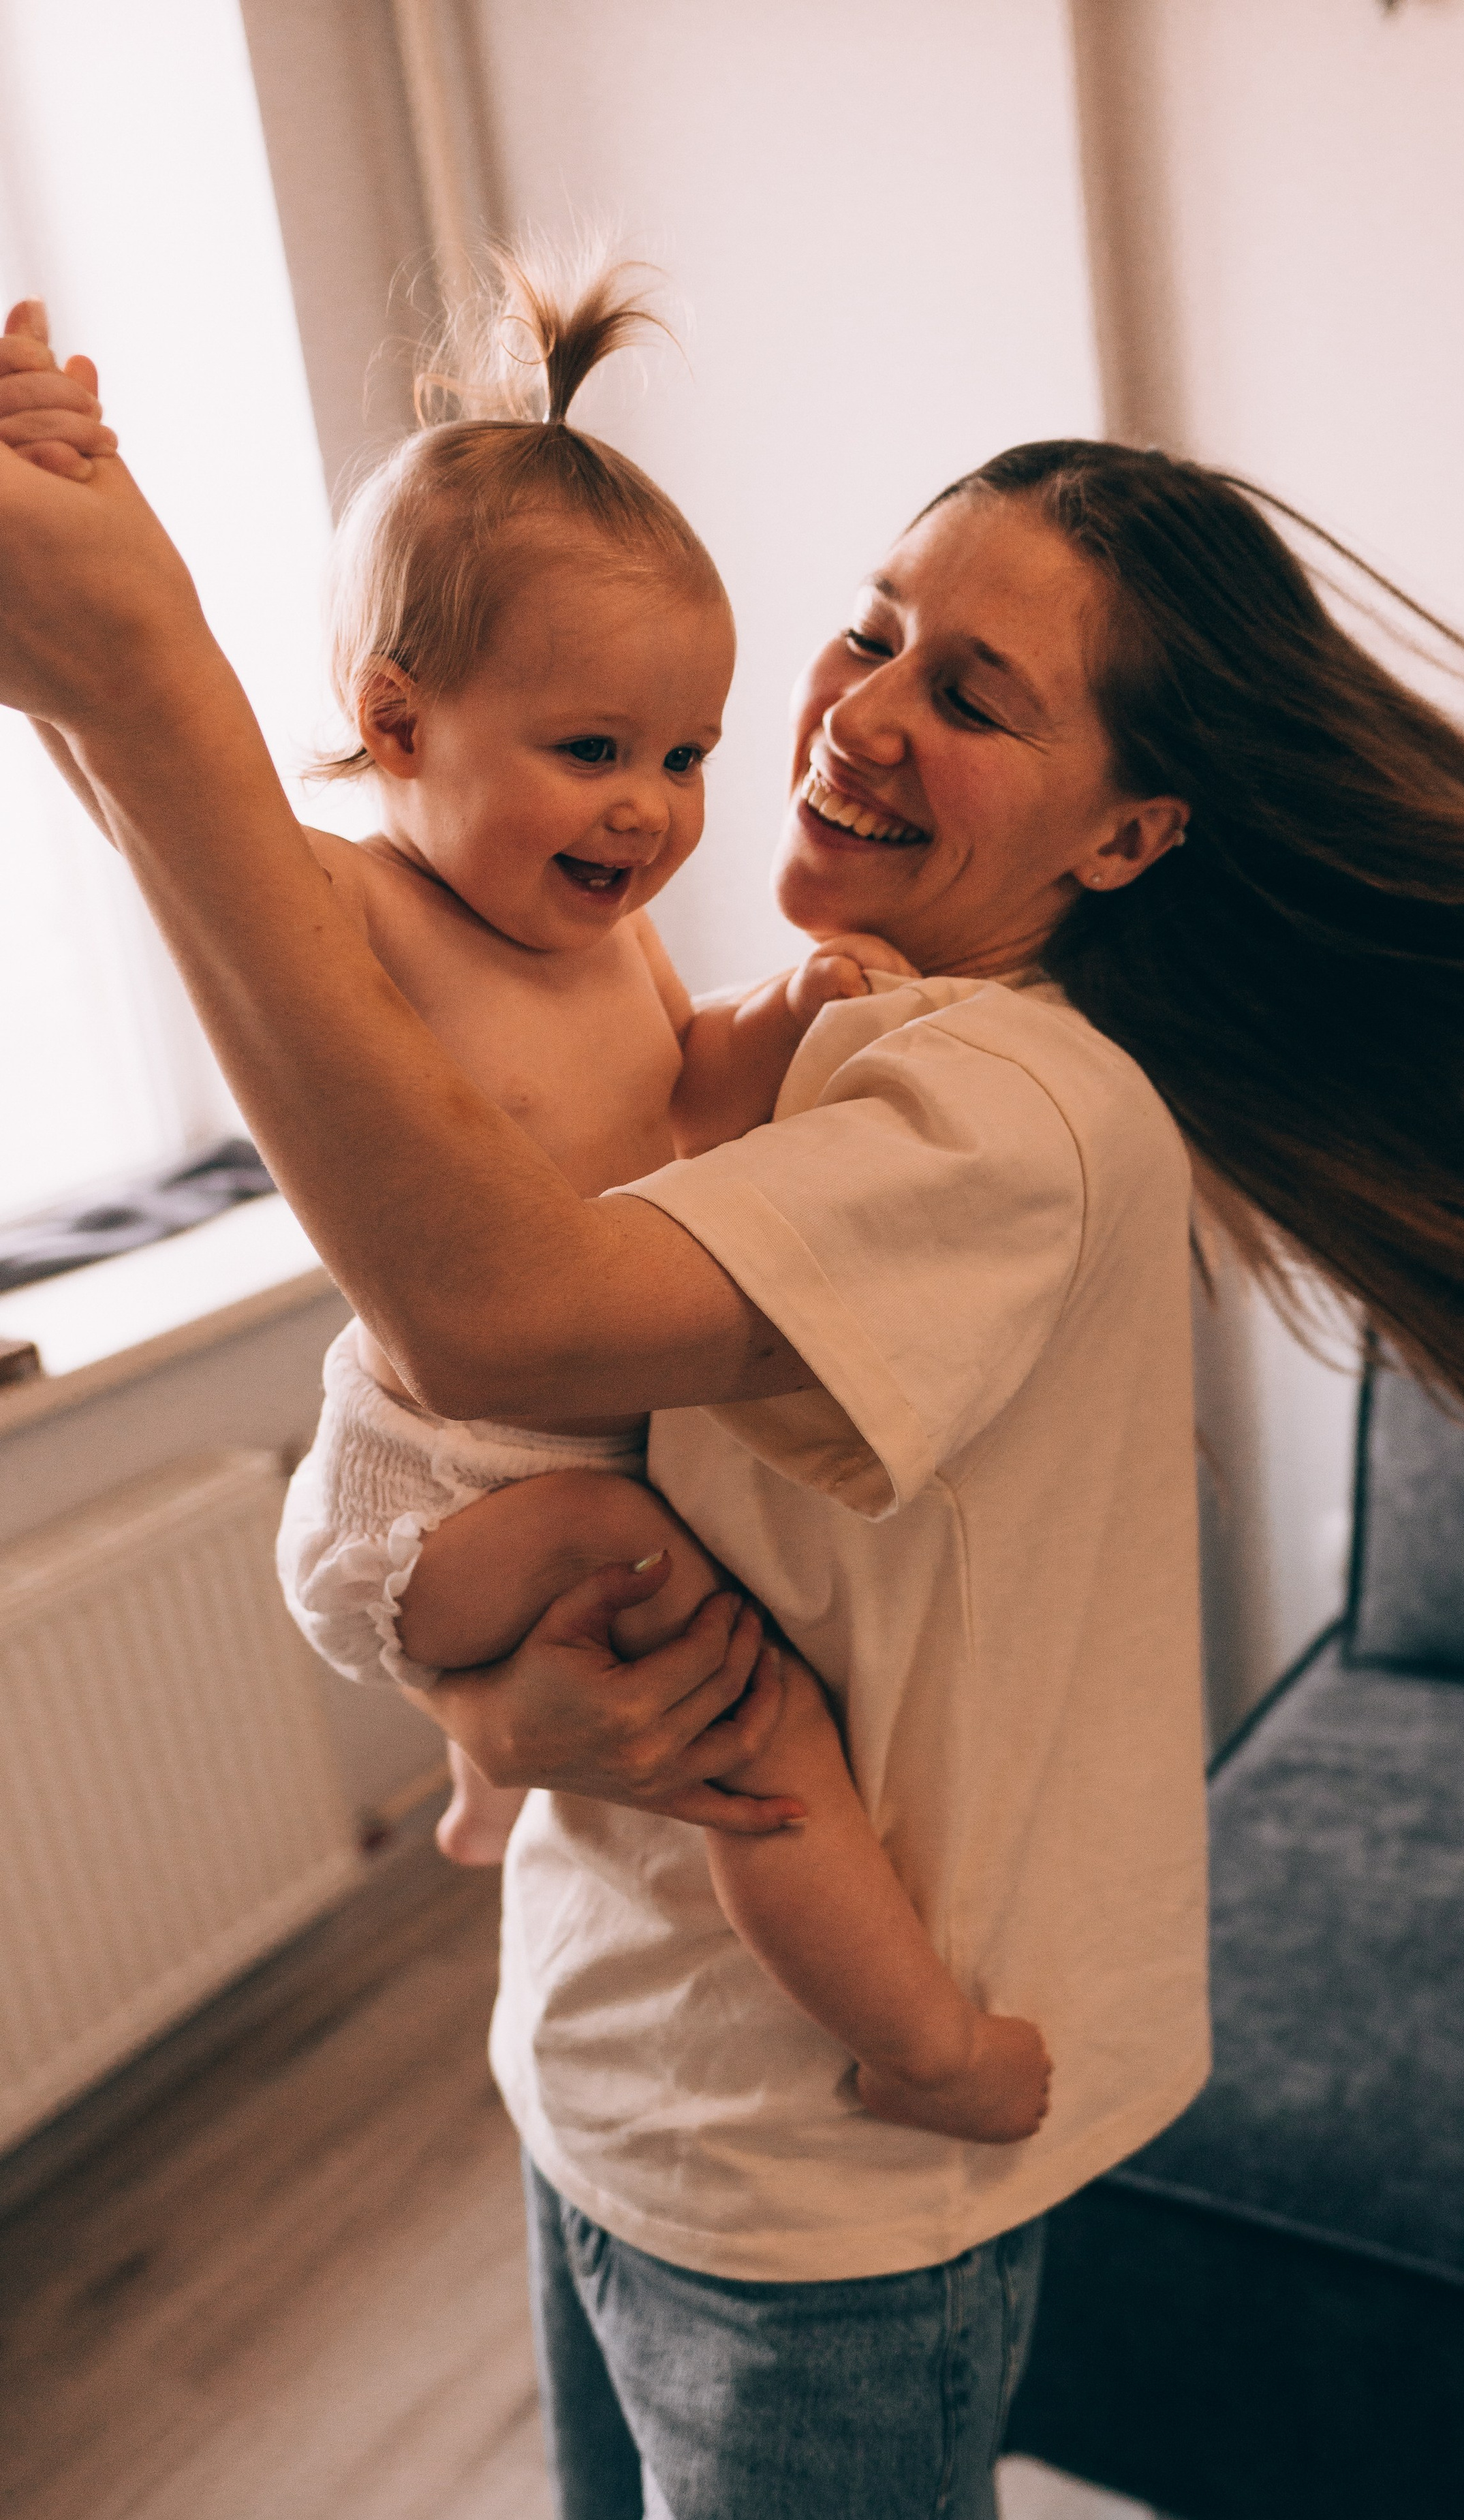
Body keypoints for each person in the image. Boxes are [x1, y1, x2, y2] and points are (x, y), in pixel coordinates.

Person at [4, 300, 1464, 2520]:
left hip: (799, 2166)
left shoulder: (1009, 1110)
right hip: (617, 2056)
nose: (861, 712)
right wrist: (495, 1711)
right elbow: (581, 1450)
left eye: (973, 694)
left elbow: (497, 1311)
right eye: (876, 630)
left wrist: (135, 674)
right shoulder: (850, 1039)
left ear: (1134, 830)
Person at [10, 270, 1053, 2149]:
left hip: (559, 1442)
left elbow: (688, 1107)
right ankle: (922, 2047)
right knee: (754, 1712)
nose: (651, 811)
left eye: (685, 757)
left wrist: (787, 1014)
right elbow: (162, 786)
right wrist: (77, 489)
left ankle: (491, 1767)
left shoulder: (619, 939)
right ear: (399, 727)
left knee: (670, 1604)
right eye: (594, 753)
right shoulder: (356, 908)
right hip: (443, 1476)